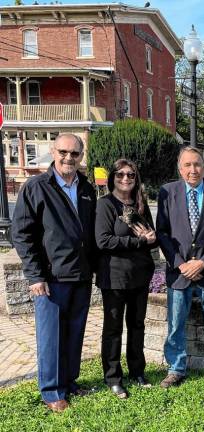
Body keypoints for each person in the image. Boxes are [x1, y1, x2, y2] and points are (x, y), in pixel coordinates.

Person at [11, 133, 96, 413]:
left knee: (74, 333)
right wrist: (35, 276)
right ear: (53, 151)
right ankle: (51, 391)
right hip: (50, 279)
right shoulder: (37, 187)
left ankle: (69, 382)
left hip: (80, 276)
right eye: (63, 152)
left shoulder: (86, 188)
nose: (68, 158)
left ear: (81, 157)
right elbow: (22, 235)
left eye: (74, 154)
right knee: (51, 337)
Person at [156, 146, 204, 389]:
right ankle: (176, 368)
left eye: (197, 164)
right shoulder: (167, 193)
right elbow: (163, 232)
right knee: (176, 324)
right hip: (179, 275)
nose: (193, 170)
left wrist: (203, 261)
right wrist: (180, 264)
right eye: (188, 165)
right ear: (180, 169)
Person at [95, 159, 157, 398]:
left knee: (137, 325)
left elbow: (152, 238)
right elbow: (103, 241)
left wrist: (151, 236)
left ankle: (137, 371)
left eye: (131, 175)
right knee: (113, 329)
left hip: (140, 275)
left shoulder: (140, 204)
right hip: (114, 276)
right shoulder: (105, 205)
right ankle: (113, 377)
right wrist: (139, 241)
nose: (125, 179)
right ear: (113, 177)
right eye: (120, 174)